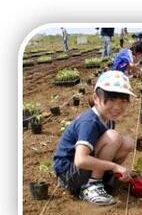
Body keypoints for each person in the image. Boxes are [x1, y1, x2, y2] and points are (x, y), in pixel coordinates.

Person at [53, 71, 135, 206]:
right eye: (111, 100)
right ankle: (91, 186)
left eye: (123, 101)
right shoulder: (89, 122)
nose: (117, 107)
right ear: (96, 98)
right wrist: (115, 166)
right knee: (113, 137)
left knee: (127, 142)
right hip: (69, 174)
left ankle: (102, 177)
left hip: (83, 168)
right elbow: (80, 160)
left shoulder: (107, 118)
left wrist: (114, 169)